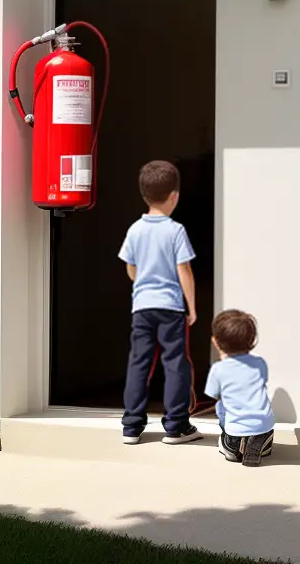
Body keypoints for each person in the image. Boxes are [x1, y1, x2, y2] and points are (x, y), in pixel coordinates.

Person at [119, 160, 202, 446]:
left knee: (139, 363)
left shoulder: (135, 230)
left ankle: (131, 426)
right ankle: (176, 426)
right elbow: (184, 270)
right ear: (174, 196)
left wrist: (141, 285)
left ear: (144, 195)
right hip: (170, 307)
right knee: (175, 363)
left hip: (142, 307)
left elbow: (130, 266)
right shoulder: (175, 230)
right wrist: (191, 306)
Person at [204, 310, 276, 467]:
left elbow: (214, 394)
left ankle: (233, 445)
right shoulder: (260, 363)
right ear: (252, 341)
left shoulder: (219, 369)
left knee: (220, 405)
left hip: (235, 431)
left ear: (215, 342)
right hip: (264, 426)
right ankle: (261, 441)